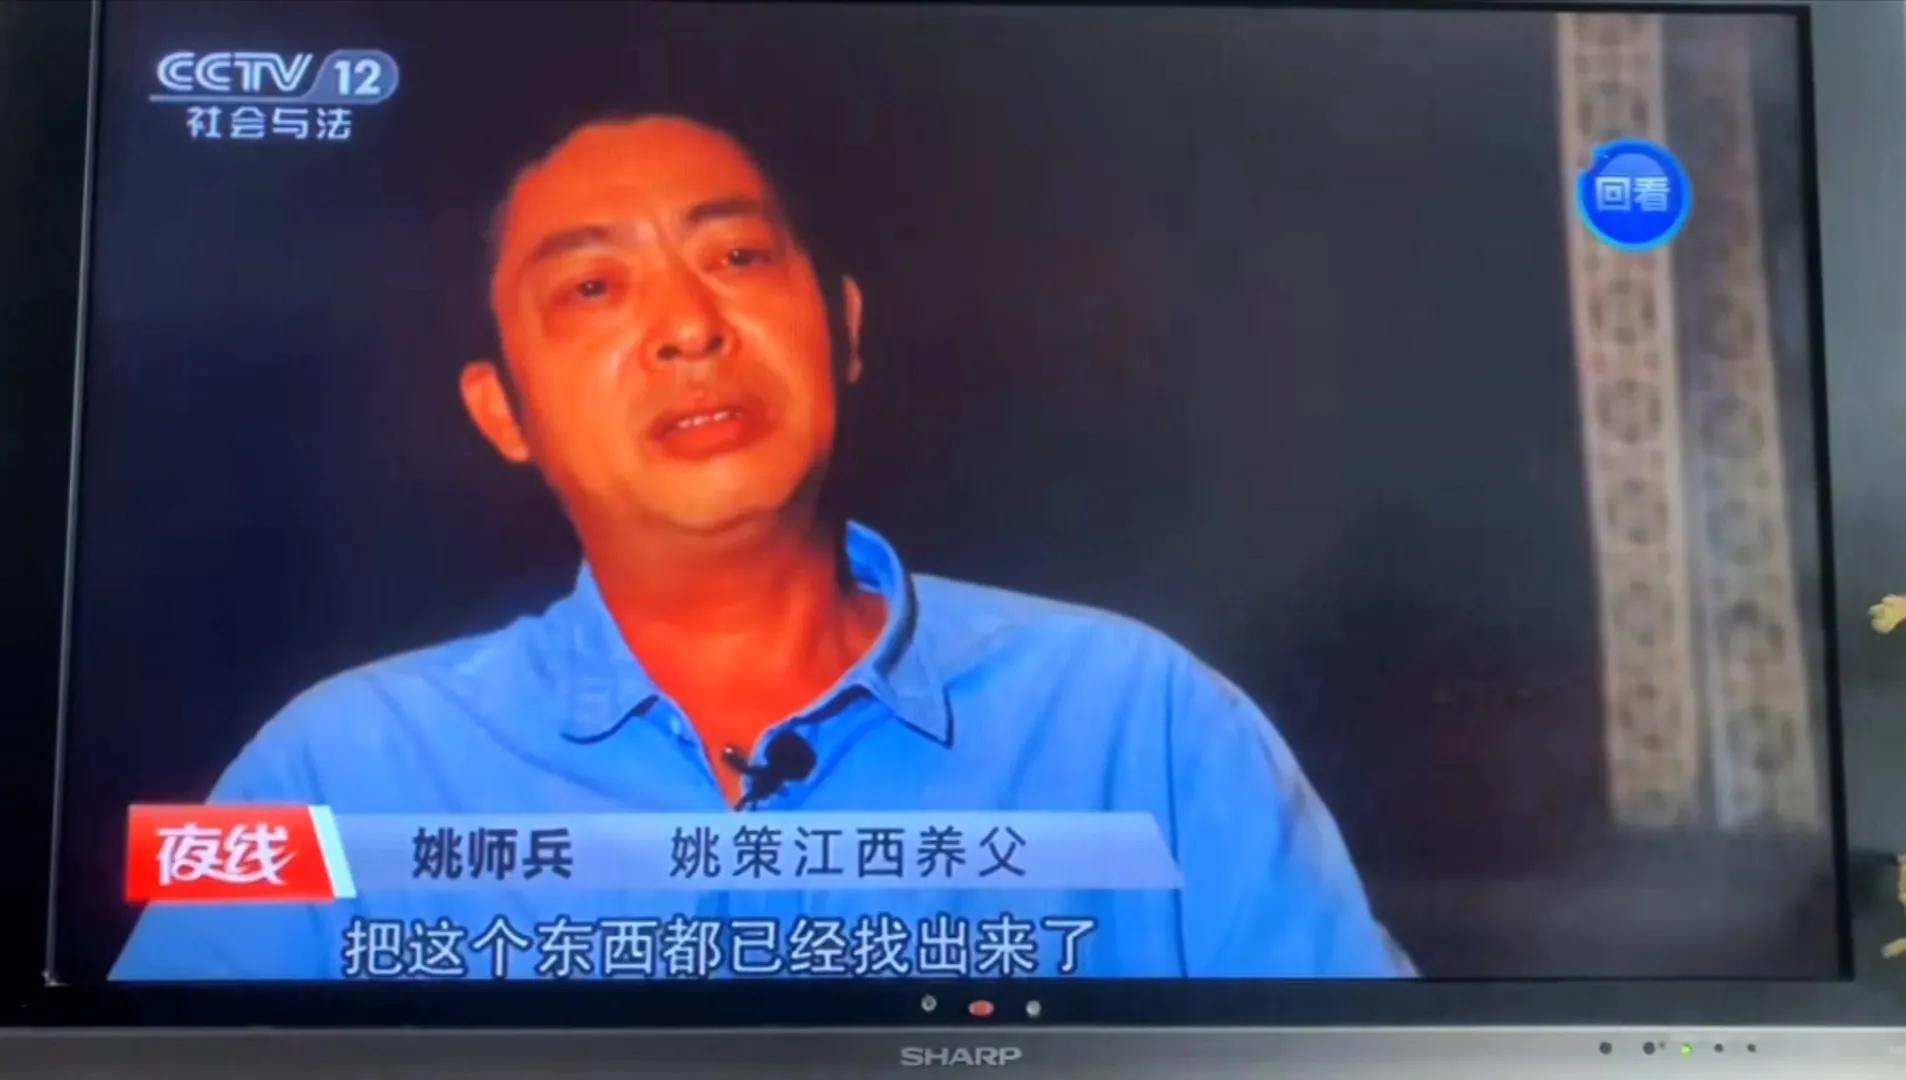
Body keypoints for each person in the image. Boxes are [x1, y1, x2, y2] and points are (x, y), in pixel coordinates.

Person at [113, 115, 1410, 980]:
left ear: (842, 328)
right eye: (592, 287)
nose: (689, 326)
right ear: (501, 410)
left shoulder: (1141, 719)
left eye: (737, 254)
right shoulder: (338, 770)